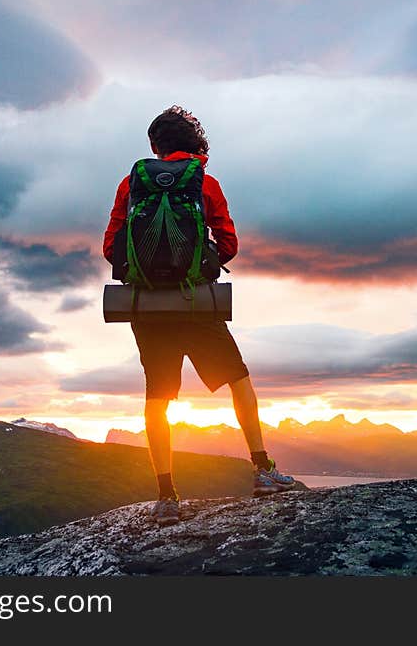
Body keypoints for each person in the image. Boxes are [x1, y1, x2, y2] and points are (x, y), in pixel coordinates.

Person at [103, 105, 295, 526]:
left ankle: (166, 496)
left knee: (158, 398)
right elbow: (229, 243)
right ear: (193, 144)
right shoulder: (205, 184)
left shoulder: (130, 185)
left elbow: (110, 247)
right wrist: (199, 265)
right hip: (196, 305)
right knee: (238, 379)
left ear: (155, 147)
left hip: (149, 310)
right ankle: (262, 471)